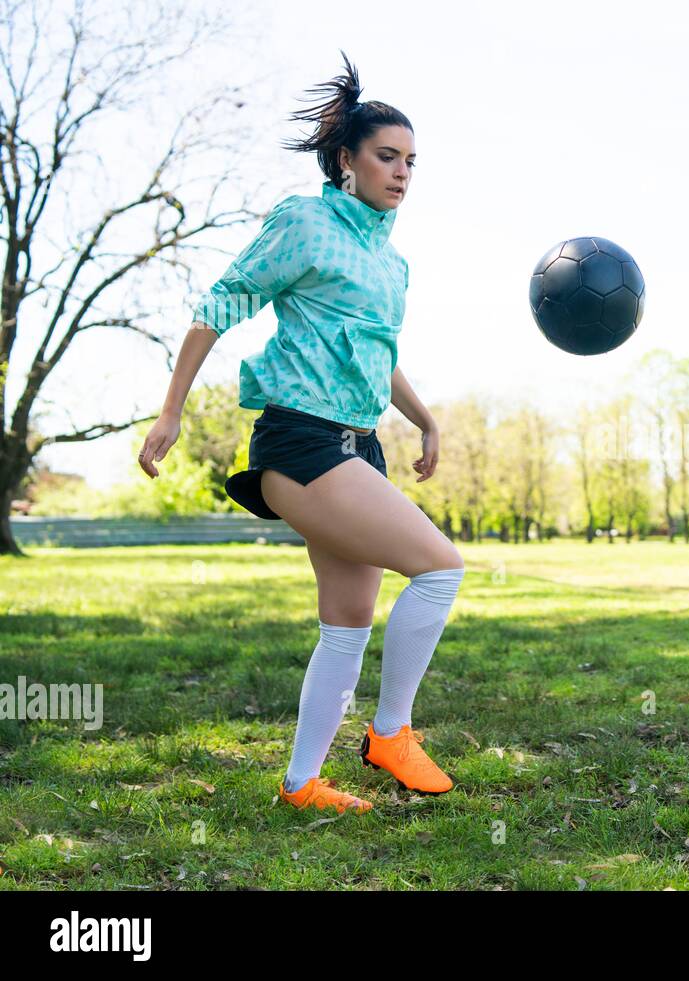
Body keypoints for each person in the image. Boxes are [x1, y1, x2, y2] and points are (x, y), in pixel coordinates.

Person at [136, 53, 464, 816]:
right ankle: (391, 733)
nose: (403, 172)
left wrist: (423, 418)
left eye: (412, 161)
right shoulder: (304, 221)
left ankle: (300, 784)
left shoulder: (392, 261)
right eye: (387, 156)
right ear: (345, 160)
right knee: (440, 568)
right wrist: (171, 409)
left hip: (361, 447)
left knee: (346, 626)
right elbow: (218, 306)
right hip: (301, 442)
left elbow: (376, 355)